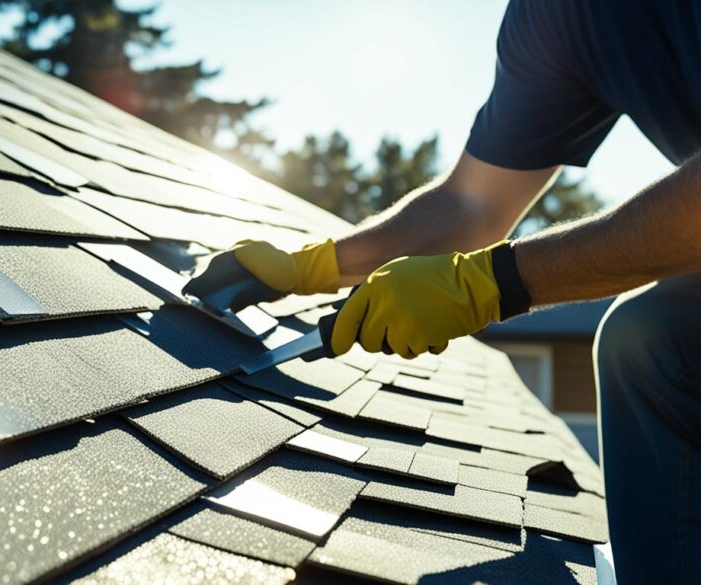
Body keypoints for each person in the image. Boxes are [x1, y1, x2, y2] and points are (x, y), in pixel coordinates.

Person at [184, 1, 701, 582]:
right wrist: (315, 266)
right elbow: (471, 204)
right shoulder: (555, 17)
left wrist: (490, 283)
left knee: (656, 343)